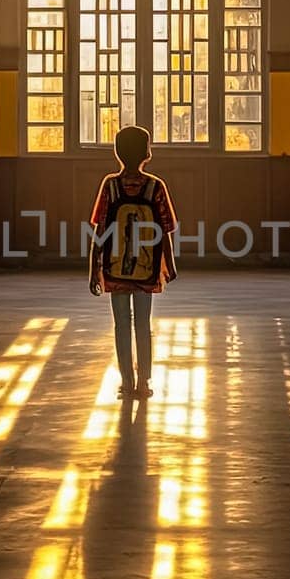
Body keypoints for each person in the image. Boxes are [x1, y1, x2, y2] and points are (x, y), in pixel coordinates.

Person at [88, 125, 178, 399]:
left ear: (117, 152)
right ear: (146, 153)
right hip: (146, 268)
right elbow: (164, 231)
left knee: (121, 324)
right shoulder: (155, 186)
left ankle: (126, 381)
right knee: (143, 324)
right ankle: (144, 382)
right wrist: (170, 266)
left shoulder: (111, 186)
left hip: (114, 267)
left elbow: (100, 232)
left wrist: (94, 270)